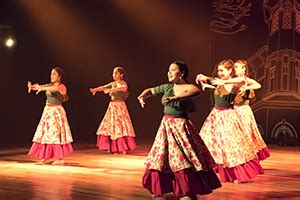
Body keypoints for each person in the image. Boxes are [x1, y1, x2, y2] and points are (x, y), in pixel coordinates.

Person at [138, 61, 221, 199]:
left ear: (182, 72)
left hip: (181, 127)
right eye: (168, 70)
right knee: (162, 158)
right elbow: (150, 90)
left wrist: (175, 97)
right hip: (166, 126)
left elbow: (196, 91)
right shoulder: (166, 87)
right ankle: (163, 187)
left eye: (172, 70)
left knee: (183, 158)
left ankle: (187, 190)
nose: (169, 72)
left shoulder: (189, 87)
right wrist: (142, 96)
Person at [196, 59, 264, 183]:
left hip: (227, 116)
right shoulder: (220, 82)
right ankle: (207, 169)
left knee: (232, 146)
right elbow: (213, 82)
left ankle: (237, 173)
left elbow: (242, 80)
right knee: (208, 142)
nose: (219, 73)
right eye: (218, 71)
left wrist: (222, 80)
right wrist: (202, 78)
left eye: (222, 70)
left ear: (230, 70)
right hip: (215, 116)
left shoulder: (234, 83)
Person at [27, 67, 73, 165]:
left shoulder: (62, 86)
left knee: (55, 134)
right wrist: (32, 87)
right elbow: (40, 87)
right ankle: (47, 156)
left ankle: (60, 158)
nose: (51, 76)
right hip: (48, 111)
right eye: (51, 74)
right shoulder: (49, 85)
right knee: (46, 134)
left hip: (56, 112)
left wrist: (42, 88)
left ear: (59, 77)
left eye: (54, 74)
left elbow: (54, 88)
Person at [90, 66, 136, 154]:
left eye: (116, 73)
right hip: (113, 106)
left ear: (121, 75)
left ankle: (122, 147)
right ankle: (112, 146)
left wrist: (112, 90)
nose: (114, 75)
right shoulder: (113, 83)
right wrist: (95, 90)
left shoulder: (123, 83)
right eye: (113, 73)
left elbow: (123, 88)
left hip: (120, 106)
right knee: (111, 126)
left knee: (121, 126)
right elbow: (103, 87)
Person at [233, 60, 270, 160]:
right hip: (233, 110)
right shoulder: (233, 80)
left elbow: (258, 85)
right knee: (235, 134)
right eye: (234, 67)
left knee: (246, 133)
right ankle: (238, 155)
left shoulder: (246, 80)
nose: (235, 69)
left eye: (237, 67)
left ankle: (249, 156)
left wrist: (246, 87)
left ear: (243, 68)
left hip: (244, 111)